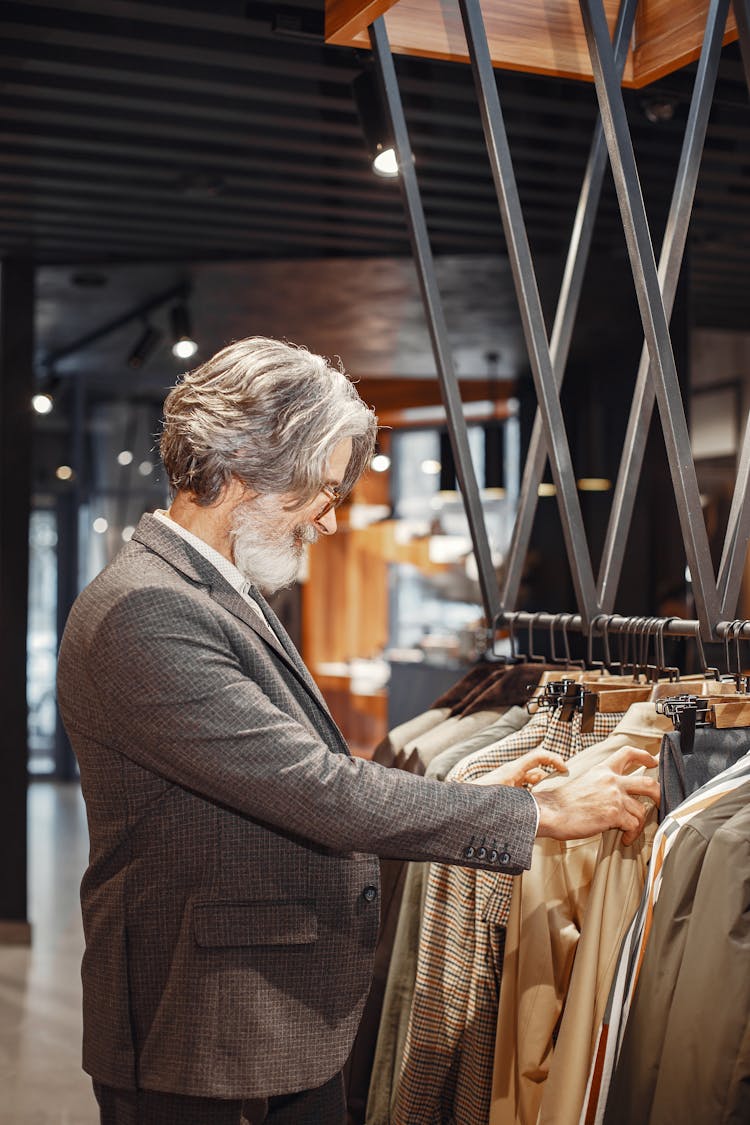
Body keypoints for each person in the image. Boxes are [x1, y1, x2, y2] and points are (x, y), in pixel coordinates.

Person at [57, 337, 659, 1125]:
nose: (331, 517)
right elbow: (310, 787)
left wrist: (464, 786)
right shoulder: (150, 609)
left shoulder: (204, 591)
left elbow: (291, 771)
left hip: (251, 1021)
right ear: (243, 465)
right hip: (205, 1031)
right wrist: (540, 813)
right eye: (321, 487)